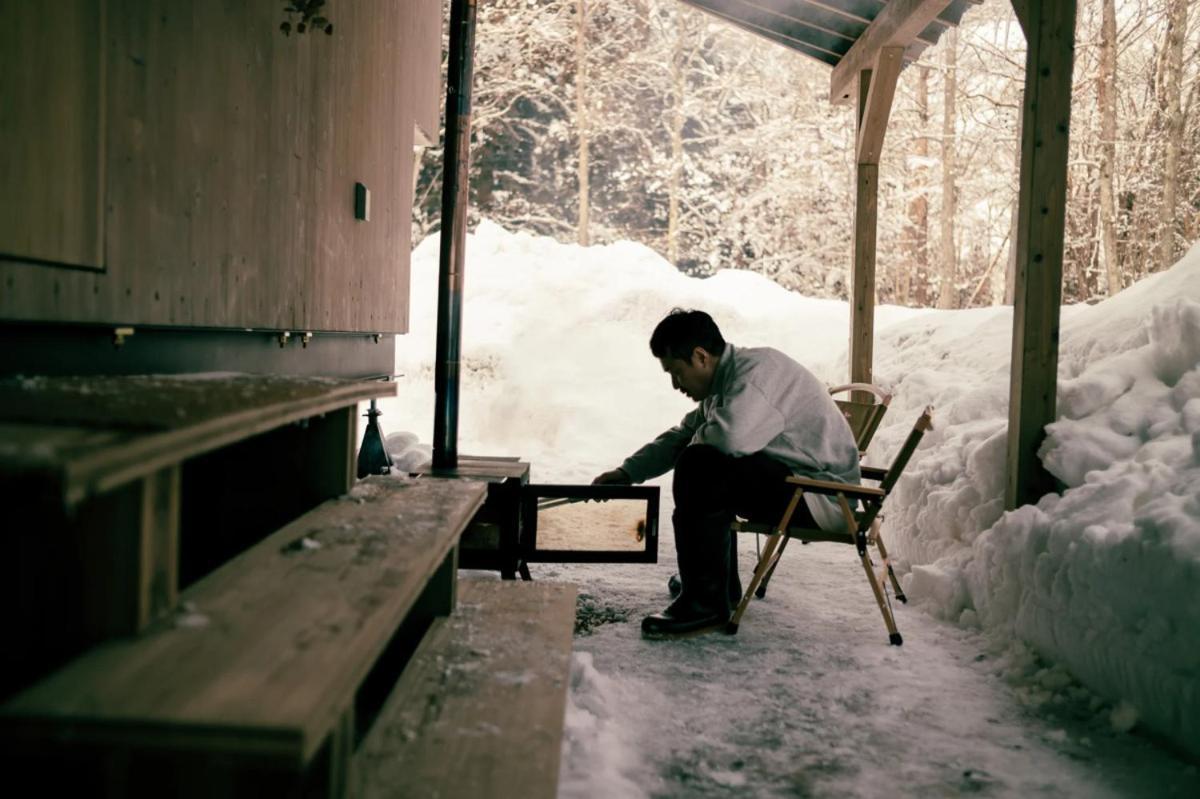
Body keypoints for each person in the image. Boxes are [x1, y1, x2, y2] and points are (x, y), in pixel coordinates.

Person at [594, 309, 861, 637]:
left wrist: (694, 448)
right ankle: (718, 585)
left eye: (677, 372)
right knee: (704, 459)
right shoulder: (725, 385)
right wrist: (627, 472)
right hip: (797, 486)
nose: (676, 385)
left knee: (702, 465)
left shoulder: (756, 376)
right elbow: (682, 435)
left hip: (823, 498)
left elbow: (727, 439)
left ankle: (706, 603)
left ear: (700, 357)